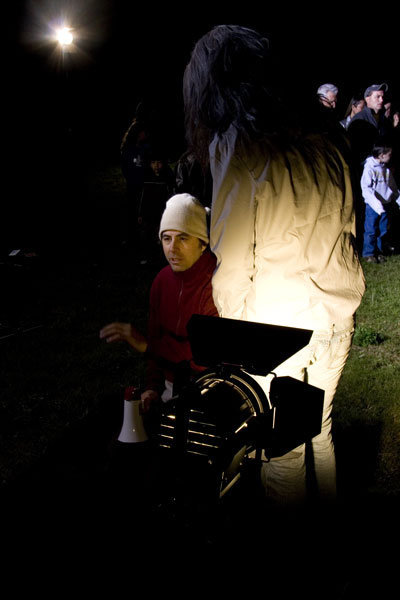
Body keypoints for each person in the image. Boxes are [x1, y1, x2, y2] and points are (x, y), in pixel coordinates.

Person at [183, 25, 366, 506]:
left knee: (279, 453)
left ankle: (287, 567)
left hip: (276, 329)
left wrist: (235, 339)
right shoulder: (326, 137)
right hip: (335, 314)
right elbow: (348, 227)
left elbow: (233, 257)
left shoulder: (239, 140)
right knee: (319, 432)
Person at [100, 193, 218, 410]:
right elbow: (157, 338)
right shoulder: (162, 281)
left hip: (207, 395)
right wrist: (152, 387)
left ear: (203, 243)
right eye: (166, 238)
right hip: (168, 389)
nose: (172, 248)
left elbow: (204, 360)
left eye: (183, 238)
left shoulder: (215, 285)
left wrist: (147, 346)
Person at [361, 142, 400, 262]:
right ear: (382, 155)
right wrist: (377, 206)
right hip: (373, 206)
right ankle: (368, 253)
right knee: (371, 230)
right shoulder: (369, 169)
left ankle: (379, 252)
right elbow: (367, 190)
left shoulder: (386, 170)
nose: (391, 156)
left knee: (382, 230)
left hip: (385, 204)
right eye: (389, 154)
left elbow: (393, 187)